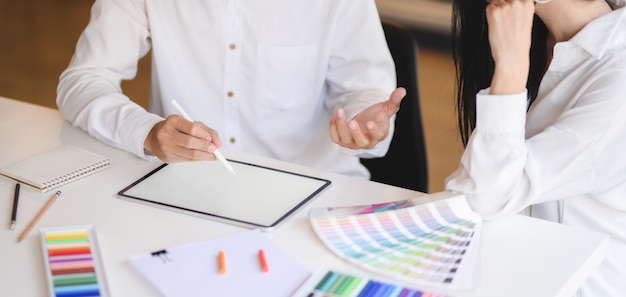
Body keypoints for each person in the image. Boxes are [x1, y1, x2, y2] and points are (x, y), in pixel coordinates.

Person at [56, 0, 406, 180]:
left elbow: (364, 89)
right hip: (187, 191)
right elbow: (82, 81)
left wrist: (364, 123)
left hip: (311, 193)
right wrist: (145, 132)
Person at [445, 0, 626, 295]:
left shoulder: (618, 76)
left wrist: (511, 67)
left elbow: (483, 198)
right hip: (519, 271)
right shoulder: (531, 38)